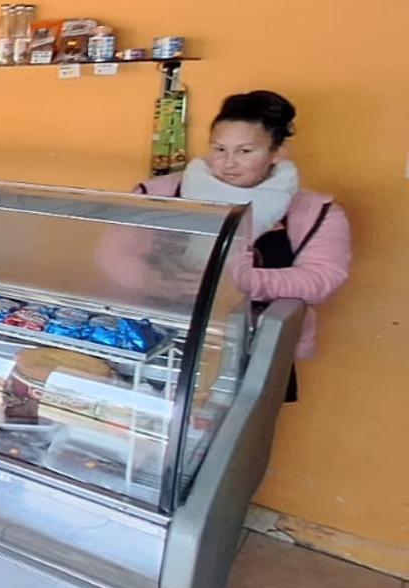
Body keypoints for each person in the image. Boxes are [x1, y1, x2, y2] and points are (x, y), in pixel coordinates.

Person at [138, 90, 350, 400]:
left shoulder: (316, 212)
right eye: (219, 149)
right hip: (154, 337)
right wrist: (155, 282)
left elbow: (322, 279)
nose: (228, 163)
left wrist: (240, 279)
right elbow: (117, 255)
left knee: (233, 444)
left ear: (277, 152)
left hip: (254, 351)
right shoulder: (161, 192)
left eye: (245, 151)